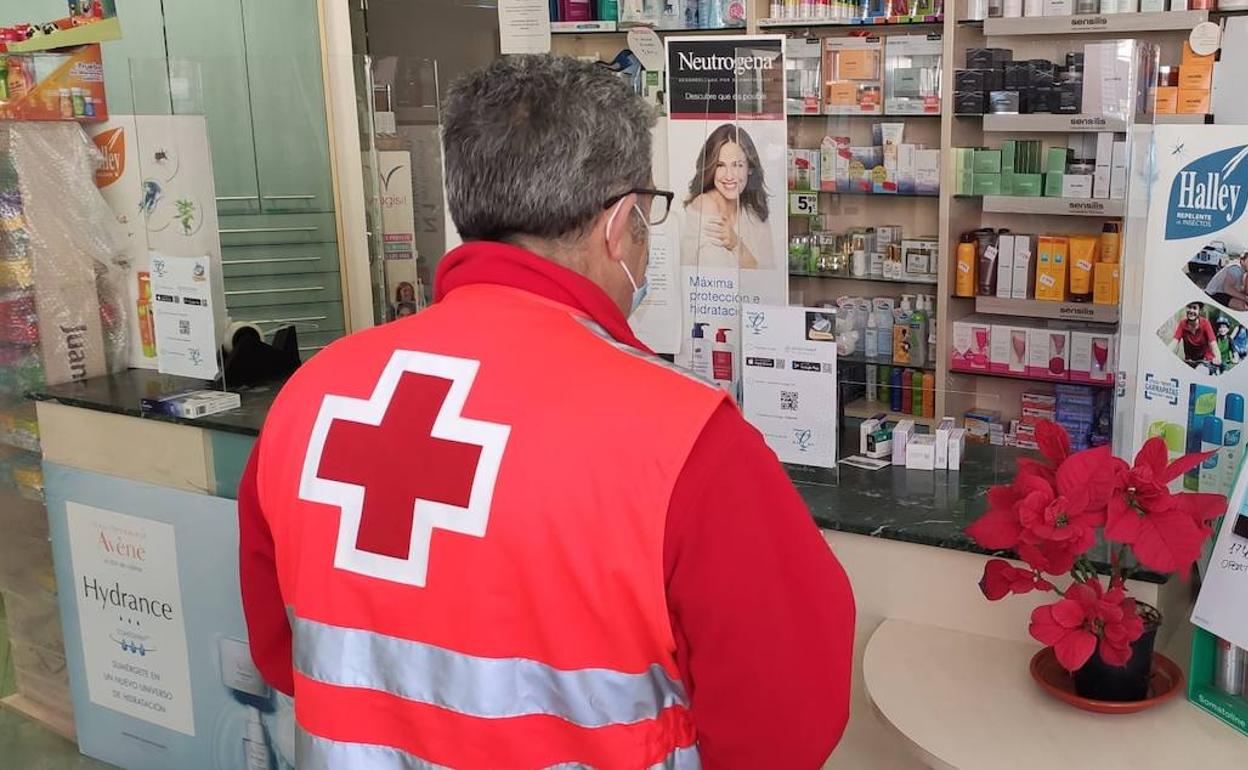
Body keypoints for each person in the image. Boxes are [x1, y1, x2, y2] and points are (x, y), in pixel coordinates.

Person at [238, 55, 854, 769]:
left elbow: (282, 655)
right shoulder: (685, 442)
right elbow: (786, 725)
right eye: (647, 216)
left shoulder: (311, 397)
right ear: (620, 224)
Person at [680, 123, 776, 270]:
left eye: (737, 165)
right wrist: (744, 254)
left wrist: (736, 244)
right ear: (710, 168)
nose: (729, 176)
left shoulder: (754, 212)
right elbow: (718, 276)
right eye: (720, 165)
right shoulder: (705, 205)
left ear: (750, 168)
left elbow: (769, 275)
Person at [1171, 301, 1222, 370]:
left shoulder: (1205, 323)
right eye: (1189, 307)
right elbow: (1175, 341)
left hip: (1205, 359)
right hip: (1190, 361)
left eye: (1194, 308)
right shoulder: (1182, 324)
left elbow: (1213, 343)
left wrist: (1218, 357)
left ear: (1199, 311)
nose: (1191, 311)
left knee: (1202, 370)